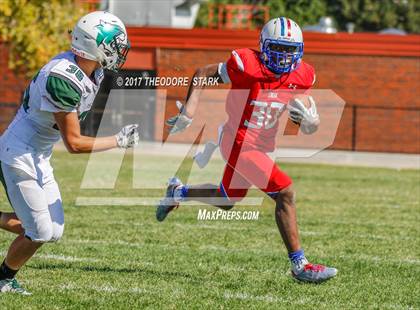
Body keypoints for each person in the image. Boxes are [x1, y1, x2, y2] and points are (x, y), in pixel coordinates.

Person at [157, 17, 337, 283]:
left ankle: (178, 192)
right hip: (238, 141)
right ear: (264, 46)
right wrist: (191, 109)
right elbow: (203, 72)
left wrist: (310, 123)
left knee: (227, 200)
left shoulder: (303, 75)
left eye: (290, 50)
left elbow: (300, 118)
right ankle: (300, 265)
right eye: (278, 48)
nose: (284, 57)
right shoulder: (245, 64)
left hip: (262, 145)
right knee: (285, 191)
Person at [0, 11, 139, 294]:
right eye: (114, 44)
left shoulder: (91, 69)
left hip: (39, 152)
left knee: (53, 230)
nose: (120, 51)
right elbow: (74, 143)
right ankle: (4, 278)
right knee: (39, 231)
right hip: (19, 153)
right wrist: (119, 140)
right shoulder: (63, 78)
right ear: (94, 44)